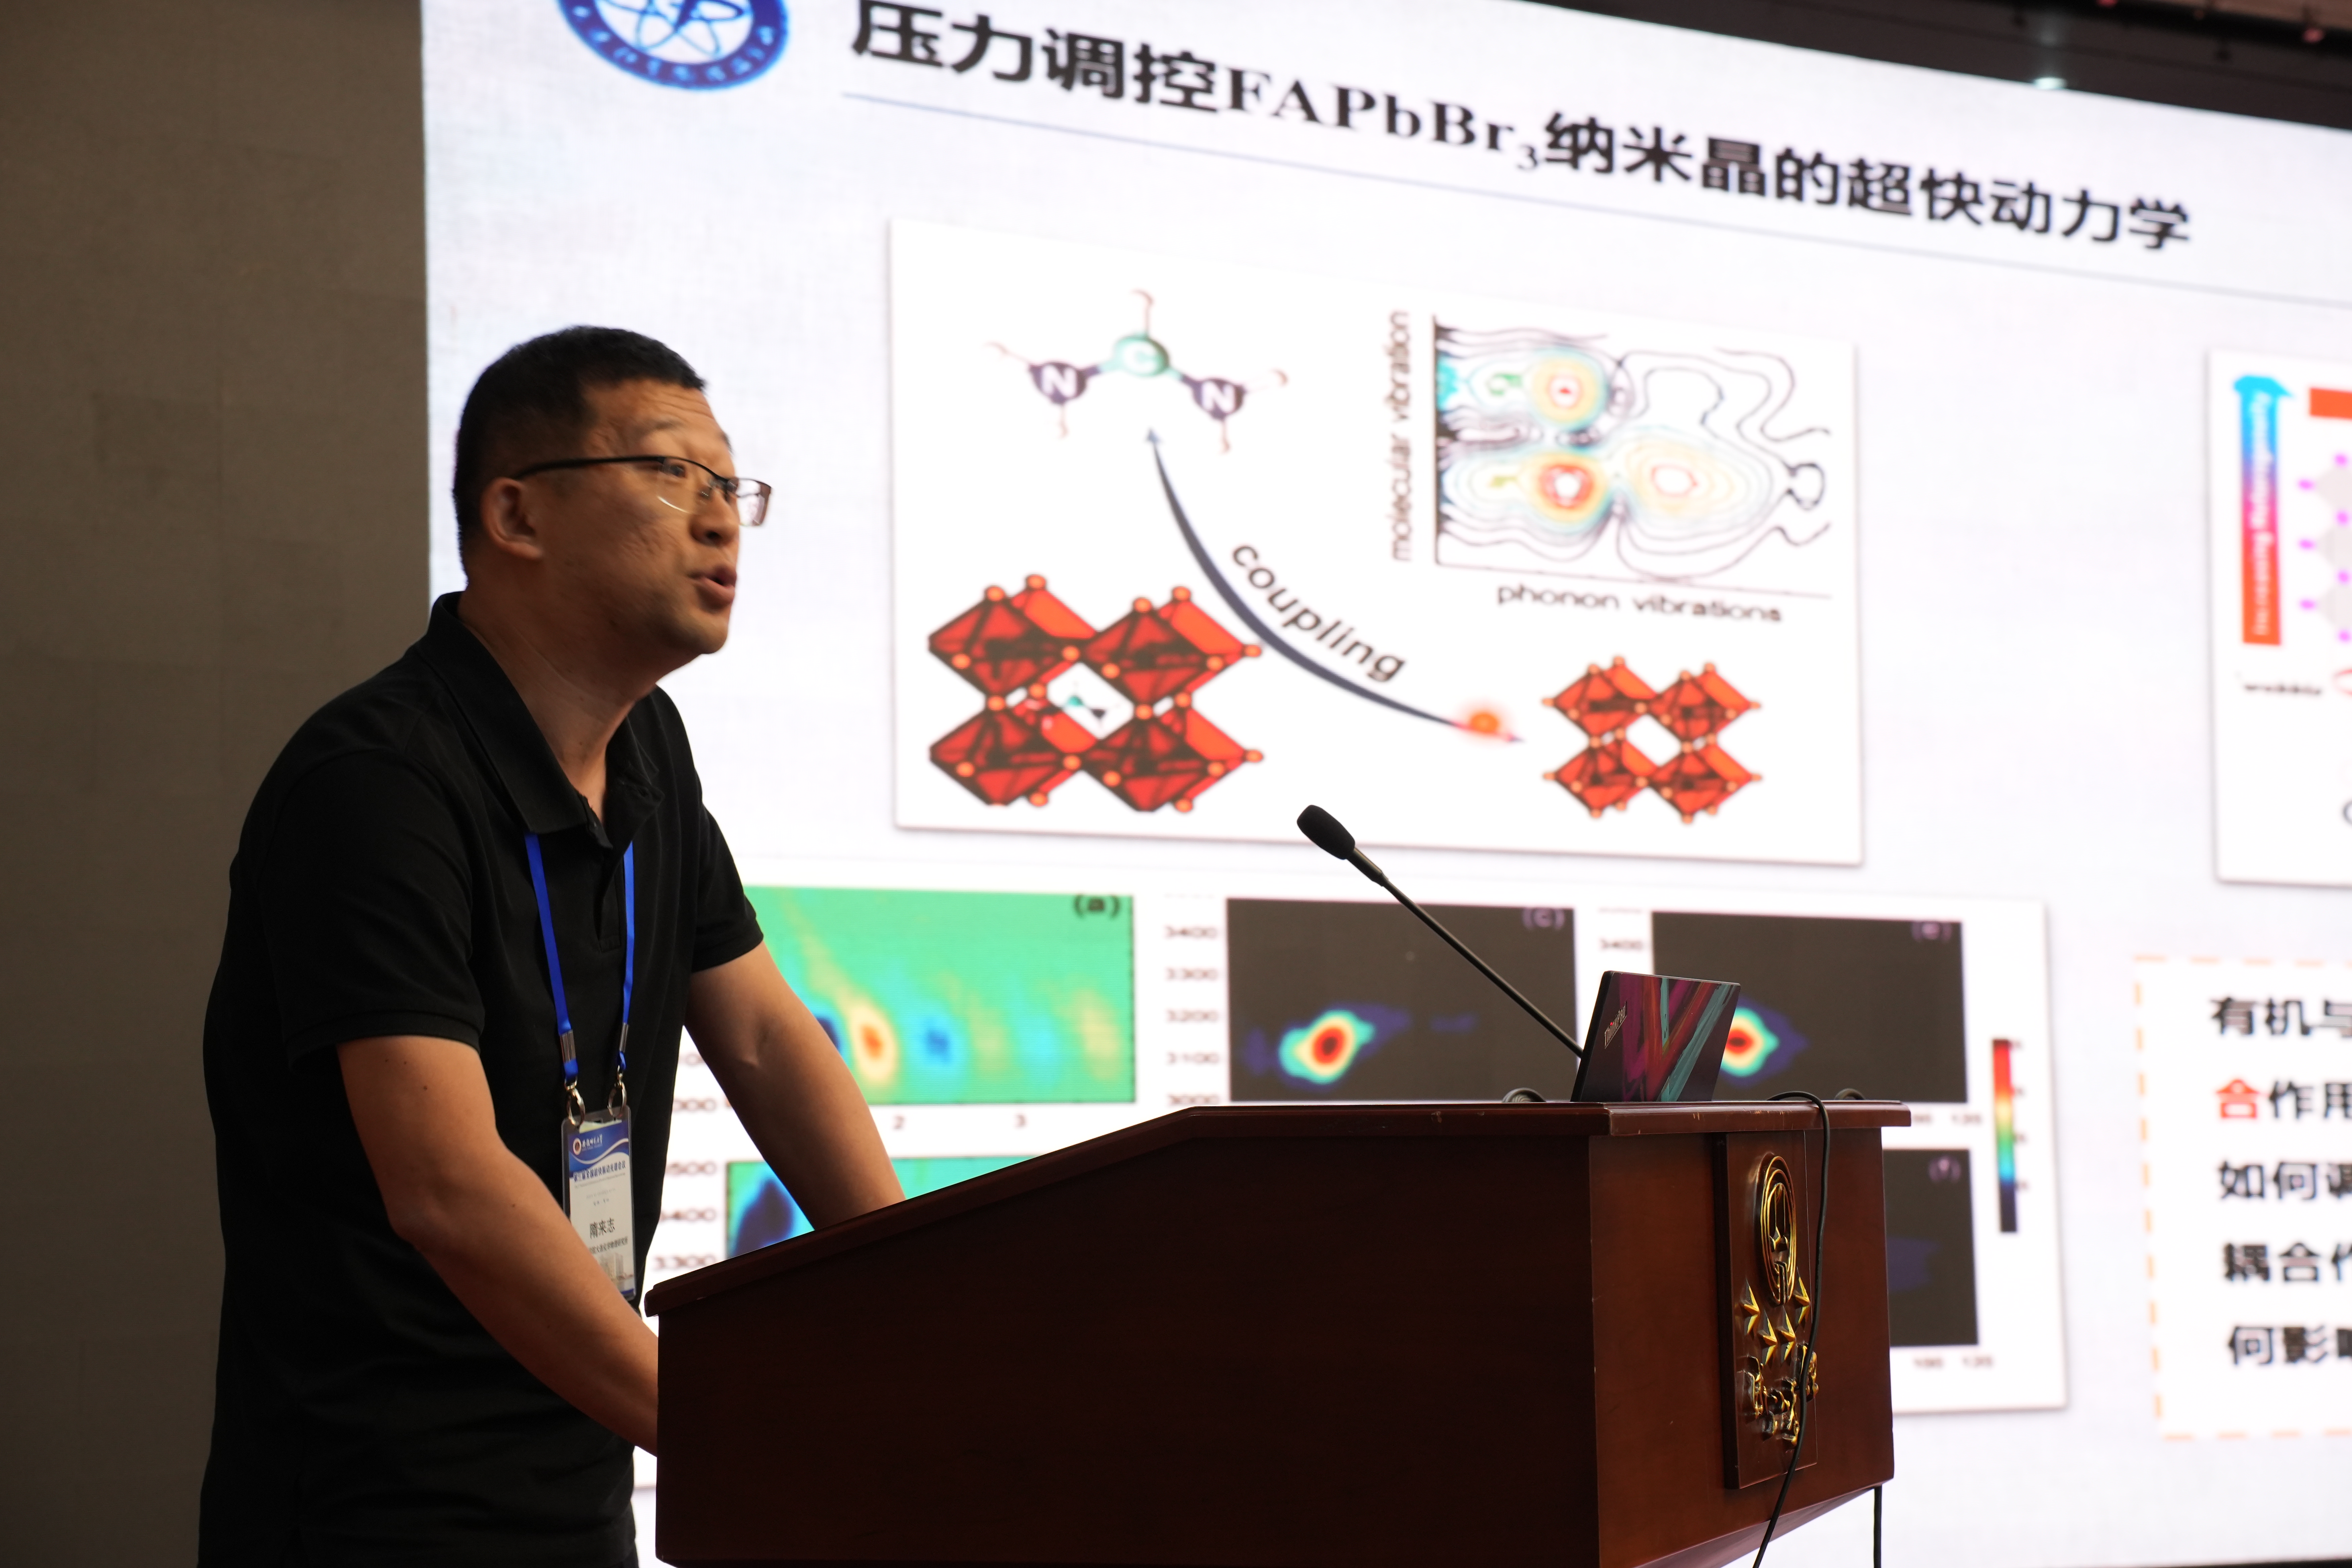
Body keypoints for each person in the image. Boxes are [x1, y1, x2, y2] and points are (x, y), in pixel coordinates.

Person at [198, 327, 903, 1566]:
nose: (721, 519)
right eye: (673, 473)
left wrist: (934, 1299)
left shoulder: (650, 752)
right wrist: (731, 1435)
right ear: (516, 514)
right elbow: (447, 1188)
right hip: (377, 1502)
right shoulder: (377, 781)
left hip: (578, 1473)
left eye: (731, 485)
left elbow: (764, 1038)